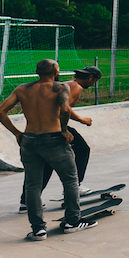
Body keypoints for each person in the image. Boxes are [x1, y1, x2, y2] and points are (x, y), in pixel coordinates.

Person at [0, 59, 94, 240]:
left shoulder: (22, 89)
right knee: (70, 180)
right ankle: (73, 221)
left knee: (33, 185)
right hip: (54, 140)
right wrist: (64, 131)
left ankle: (38, 230)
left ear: (36, 71)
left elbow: (0, 112)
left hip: (30, 140)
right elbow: (65, 109)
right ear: (56, 71)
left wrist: (17, 133)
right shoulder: (60, 87)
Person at [23, 65, 101, 216]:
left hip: (45, 127)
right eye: (94, 81)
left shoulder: (68, 84)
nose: (93, 85)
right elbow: (63, 108)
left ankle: (25, 201)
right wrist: (80, 120)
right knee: (83, 150)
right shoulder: (76, 87)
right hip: (56, 126)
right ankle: (75, 186)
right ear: (91, 77)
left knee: (46, 163)